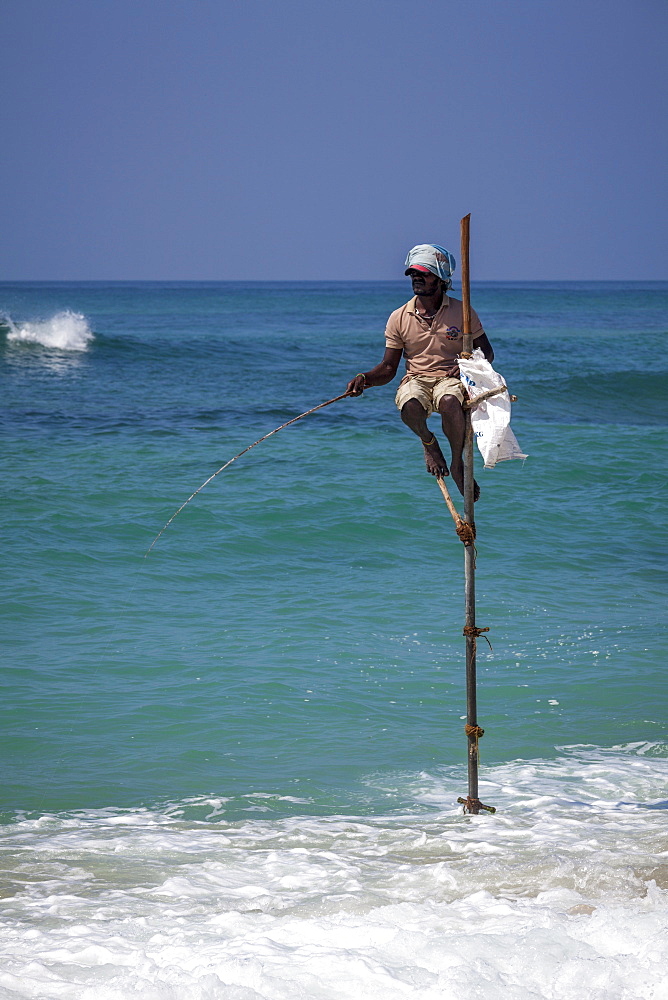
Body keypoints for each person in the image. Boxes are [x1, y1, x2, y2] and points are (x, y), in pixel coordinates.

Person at [346, 244, 494, 500]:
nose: (416, 277)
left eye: (424, 273)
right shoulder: (399, 317)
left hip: (451, 377)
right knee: (410, 404)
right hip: (416, 378)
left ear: (441, 279)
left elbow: (487, 353)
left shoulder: (463, 311)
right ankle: (429, 443)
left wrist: (467, 368)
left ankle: (457, 463)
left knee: (449, 401)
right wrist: (365, 379)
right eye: (413, 273)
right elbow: (389, 367)